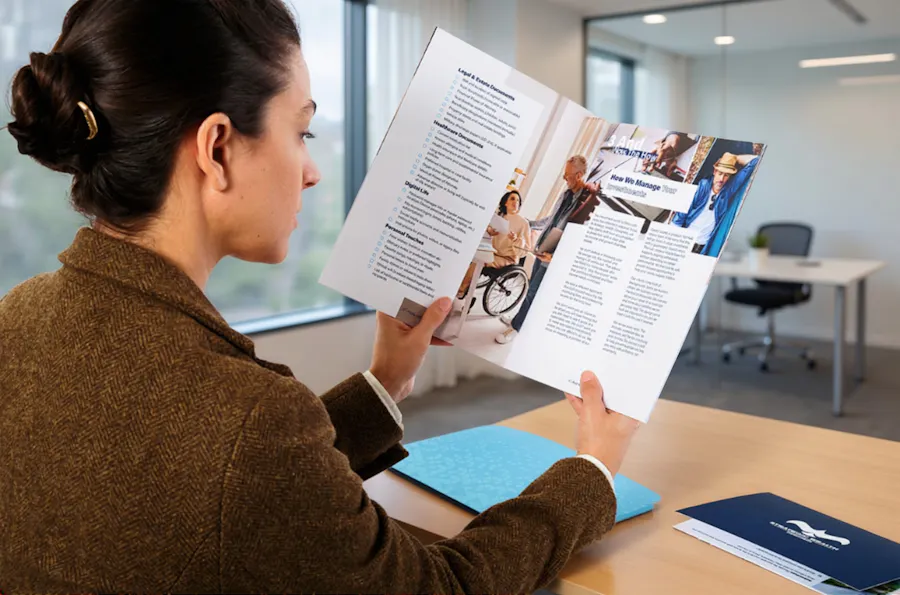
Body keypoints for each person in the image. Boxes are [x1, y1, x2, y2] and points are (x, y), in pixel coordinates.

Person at [0, 1, 640, 592]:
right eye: (301, 132)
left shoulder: (15, 316)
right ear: (216, 148)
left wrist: (389, 377)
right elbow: (443, 586)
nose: (312, 171)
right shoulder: (250, 421)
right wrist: (594, 471)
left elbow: (240, 490)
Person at [496, 155, 597, 345]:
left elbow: (579, 234)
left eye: (567, 175)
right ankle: (519, 321)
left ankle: (515, 328)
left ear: (580, 174)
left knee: (534, 291)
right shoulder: (565, 194)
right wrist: (528, 223)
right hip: (543, 247)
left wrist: (557, 256)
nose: (564, 179)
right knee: (530, 286)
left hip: (554, 255)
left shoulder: (586, 202)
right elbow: (551, 220)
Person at [672, 152, 760, 257]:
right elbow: (680, 216)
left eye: (726, 175)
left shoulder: (728, 191)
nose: (722, 179)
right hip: (684, 241)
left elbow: (755, 161)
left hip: (702, 247)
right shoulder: (703, 187)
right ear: (715, 171)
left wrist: (734, 158)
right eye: (720, 173)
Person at [455, 190, 532, 304]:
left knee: (478, 261)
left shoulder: (523, 223)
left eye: (518, 200)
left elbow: (526, 249)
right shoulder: (499, 217)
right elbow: (486, 231)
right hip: (492, 251)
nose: (515, 202)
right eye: (512, 199)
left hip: (507, 258)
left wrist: (515, 240)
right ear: (505, 202)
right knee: (467, 254)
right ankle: (460, 285)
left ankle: (461, 290)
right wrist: (490, 231)